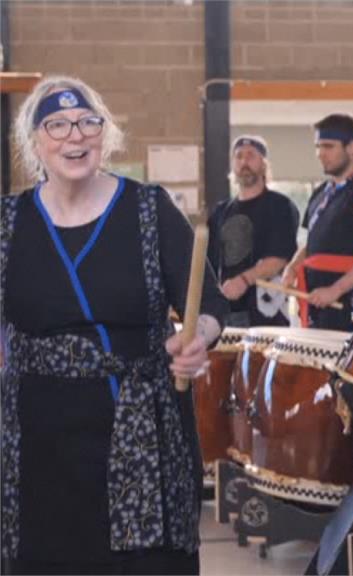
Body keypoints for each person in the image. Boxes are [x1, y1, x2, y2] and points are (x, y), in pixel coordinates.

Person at [2, 76, 228, 574]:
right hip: (39, 445)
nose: (74, 136)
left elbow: (211, 304)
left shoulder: (150, 210)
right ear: (34, 142)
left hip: (142, 434)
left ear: (104, 136)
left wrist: (198, 338)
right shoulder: (9, 222)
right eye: (56, 125)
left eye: (87, 123)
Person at [283, 114, 353, 331]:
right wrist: (292, 267)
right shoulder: (321, 193)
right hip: (315, 300)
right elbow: (313, 245)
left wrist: (335, 290)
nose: (320, 154)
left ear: (351, 147)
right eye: (318, 147)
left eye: (328, 146)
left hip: (350, 302)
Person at [207, 135, 299, 327]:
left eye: (251, 156)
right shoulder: (220, 212)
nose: (244, 161)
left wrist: (243, 280)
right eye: (239, 156)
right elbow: (209, 263)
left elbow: (279, 258)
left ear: (264, 164)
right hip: (227, 315)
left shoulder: (280, 206)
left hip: (267, 315)